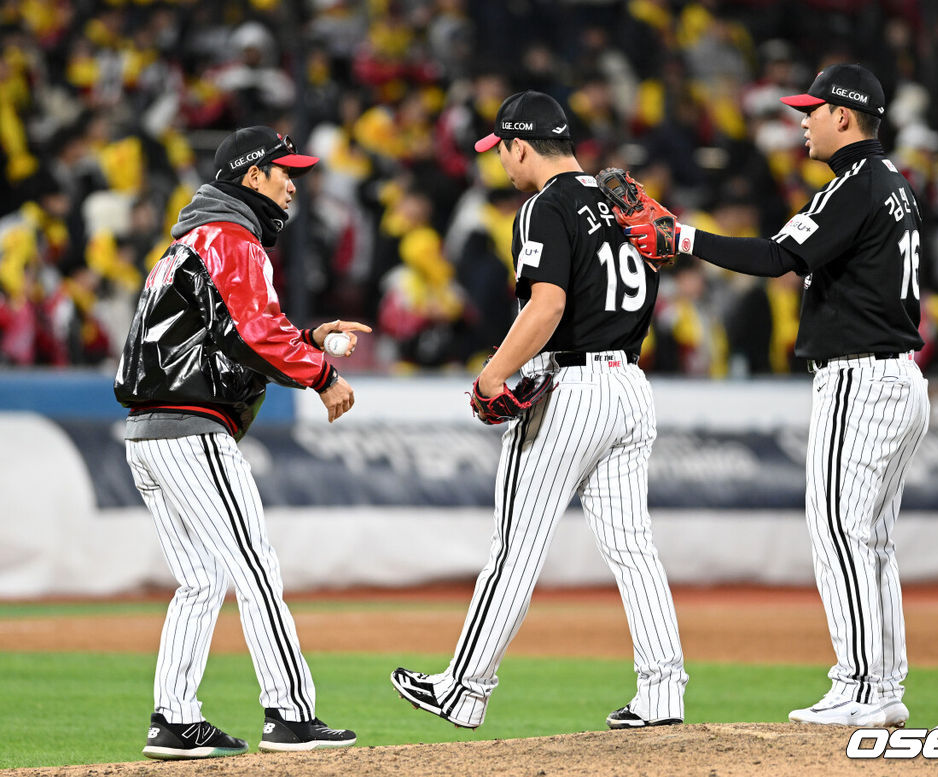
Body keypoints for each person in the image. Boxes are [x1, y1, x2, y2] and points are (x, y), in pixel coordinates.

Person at [622, 64, 930, 727]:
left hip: (861, 376)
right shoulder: (893, 185)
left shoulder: (855, 184)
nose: (802, 120)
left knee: (841, 534)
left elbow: (775, 258)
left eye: (813, 110)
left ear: (844, 117)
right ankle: (883, 687)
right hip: (899, 373)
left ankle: (857, 685)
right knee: (871, 540)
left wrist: (684, 237)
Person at [390, 90, 688, 730]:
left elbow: (547, 304)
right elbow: (661, 257)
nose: (500, 162)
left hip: (572, 390)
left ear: (520, 145)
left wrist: (495, 371)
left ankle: (464, 688)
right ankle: (663, 692)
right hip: (631, 384)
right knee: (633, 548)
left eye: (501, 150)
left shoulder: (543, 206)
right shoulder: (621, 198)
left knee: (513, 548)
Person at [114, 126, 369, 759]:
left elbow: (229, 335)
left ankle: (174, 718)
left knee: (200, 580)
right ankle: (289, 712)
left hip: (146, 434)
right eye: (285, 170)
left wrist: (306, 338)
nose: (293, 182)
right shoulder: (233, 239)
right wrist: (322, 373)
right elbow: (253, 334)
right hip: (190, 429)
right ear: (251, 176)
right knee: (254, 565)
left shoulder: (189, 243)